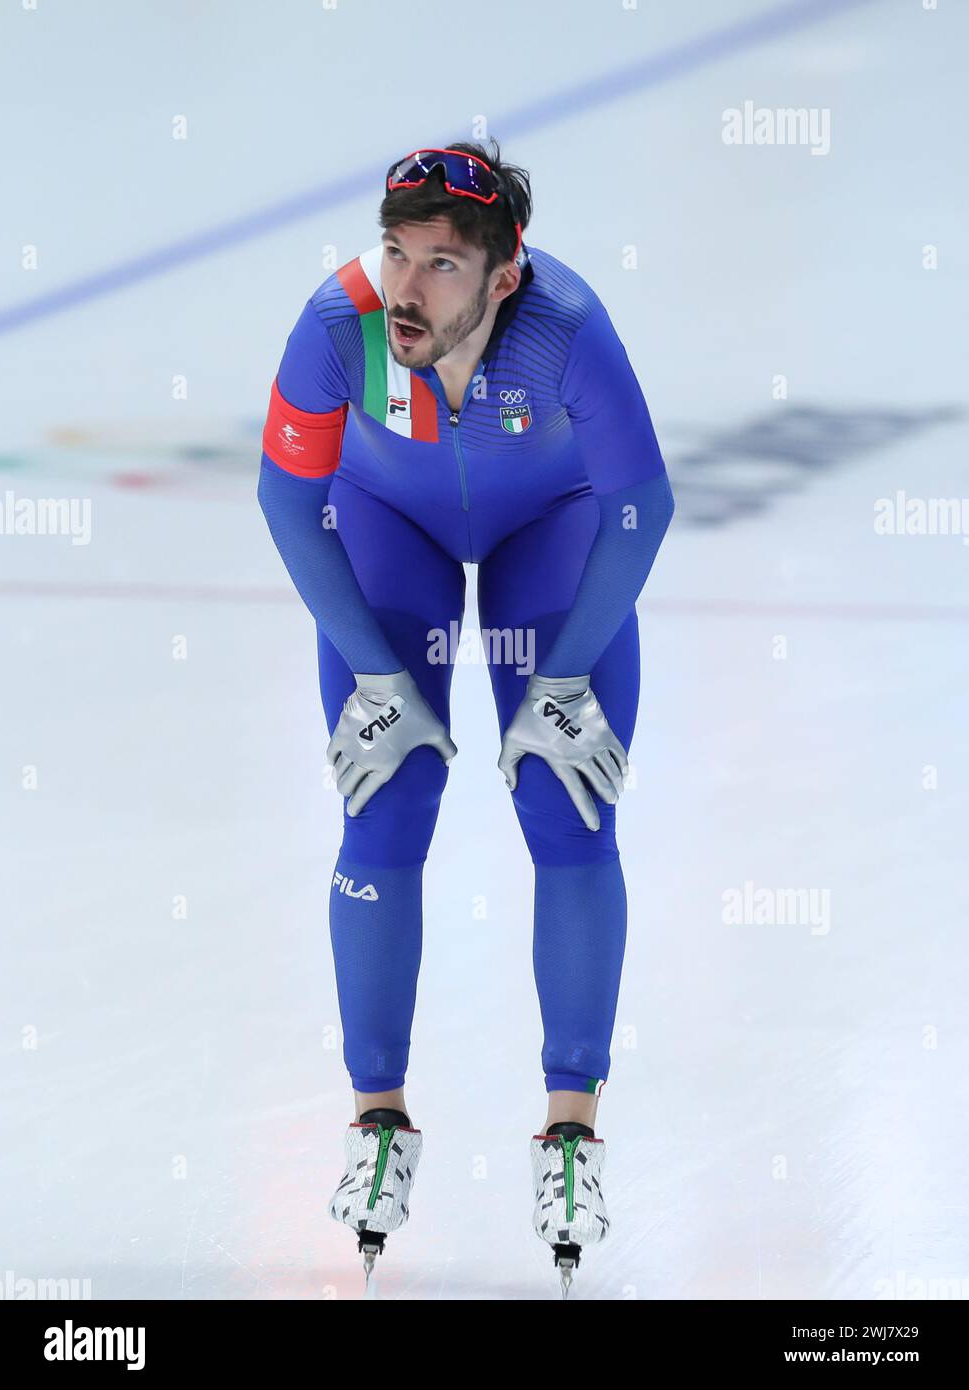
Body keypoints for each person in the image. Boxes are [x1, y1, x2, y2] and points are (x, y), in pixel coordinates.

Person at [257, 141, 674, 1289]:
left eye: (441, 263)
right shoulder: (337, 324)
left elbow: (643, 503)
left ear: (503, 276)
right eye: (397, 250)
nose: (406, 285)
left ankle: (571, 1133)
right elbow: (286, 500)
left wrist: (565, 676)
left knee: (568, 799)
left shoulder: (567, 330)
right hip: (390, 529)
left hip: (553, 532)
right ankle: (378, 1122)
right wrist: (373, 673)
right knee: (385, 798)